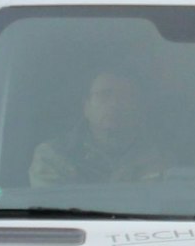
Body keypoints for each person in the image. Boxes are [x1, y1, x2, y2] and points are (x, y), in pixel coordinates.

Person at [29, 71, 166, 186]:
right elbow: (53, 211)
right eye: (104, 95)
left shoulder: (159, 158)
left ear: (137, 107)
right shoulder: (53, 155)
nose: (115, 104)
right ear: (86, 106)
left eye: (124, 97)